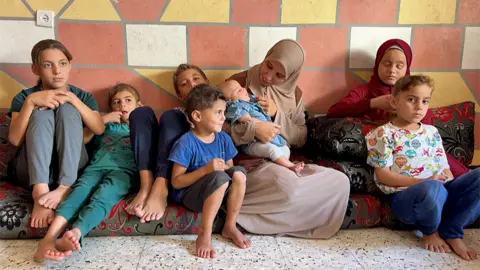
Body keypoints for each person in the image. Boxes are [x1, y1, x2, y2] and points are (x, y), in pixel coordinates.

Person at [227, 39, 350, 238]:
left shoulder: (295, 95)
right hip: (250, 165)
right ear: (267, 55)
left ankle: (283, 219)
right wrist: (254, 129)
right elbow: (214, 126)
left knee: (340, 182)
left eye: (279, 75)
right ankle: (242, 212)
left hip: (285, 161)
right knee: (286, 185)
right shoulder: (237, 84)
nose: (268, 76)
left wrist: (277, 116)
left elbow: (301, 137)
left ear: (291, 76)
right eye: (268, 66)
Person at [366, 75, 480, 261]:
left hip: (439, 191)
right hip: (408, 197)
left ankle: (452, 231)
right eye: (412, 99)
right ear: (394, 102)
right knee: (432, 187)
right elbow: (383, 175)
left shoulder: (431, 132)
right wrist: (423, 181)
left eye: (425, 101)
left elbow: (444, 168)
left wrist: (454, 190)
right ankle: (430, 230)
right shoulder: (382, 134)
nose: (419, 106)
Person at [327, 38, 469, 178]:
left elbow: (427, 131)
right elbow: (335, 110)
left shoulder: (416, 92)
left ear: (407, 68)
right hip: (387, 152)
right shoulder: (365, 91)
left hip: (419, 149)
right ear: (377, 65)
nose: (392, 70)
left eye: (399, 66)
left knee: (464, 177)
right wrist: (372, 103)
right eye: (386, 64)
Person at [33, 84, 142, 262]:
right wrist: (103, 119)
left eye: (128, 101)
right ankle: (49, 239)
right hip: (95, 168)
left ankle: (76, 233)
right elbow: (81, 139)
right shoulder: (105, 125)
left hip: (124, 173)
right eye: (117, 102)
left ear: (139, 106)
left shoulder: (141, 128)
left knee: (104, 196)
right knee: (78, 192)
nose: (122, 105)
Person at [7, 39, 104, 228]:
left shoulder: (84, 97)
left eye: (62, 64)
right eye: (47, 65)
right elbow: (15, 139)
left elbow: (99, 128)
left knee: (68, 110)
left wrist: (73, 101)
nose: (57, 71)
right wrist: (31, 102)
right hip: (31, 168)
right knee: (41, 114)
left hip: (71, 168)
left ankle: (64, 188)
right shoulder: (24, 97)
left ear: (70, 66)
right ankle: (40, 192)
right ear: (36, 69)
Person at [169, 84, 251, 258]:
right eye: (218, 112)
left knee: (239, 173)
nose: (223, 117)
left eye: (224, 111)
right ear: (197, 116)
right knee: (220, 178)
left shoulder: (223, 138)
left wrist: (226, 170)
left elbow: (229, 167)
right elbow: (176, 181)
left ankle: (230, 226)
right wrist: (206, 170)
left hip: (219, 191)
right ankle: (204, 234)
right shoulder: (186, 143)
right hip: (191, 196)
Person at [127, 64, 209, 223]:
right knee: (140, 113)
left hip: (180, 170)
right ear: (180, 95)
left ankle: (161, 187)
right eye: (184, 84)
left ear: (207, 82)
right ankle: (146, 186)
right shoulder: (178, 112)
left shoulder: (219, 111)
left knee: (172, 115)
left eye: (196, 79)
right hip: (155, 162)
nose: (191, 84)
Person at [218, 80, 304, 173]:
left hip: (269, 138)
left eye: (241, 87)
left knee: (285, 148)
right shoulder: (237, 105)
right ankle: (290, 166)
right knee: (272, 150)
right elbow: (245, 119)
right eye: (238, 90)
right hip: (252, 142)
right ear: (230, 101)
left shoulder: (250, 101)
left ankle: (282, 165)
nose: (243, 89)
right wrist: (260, 125)